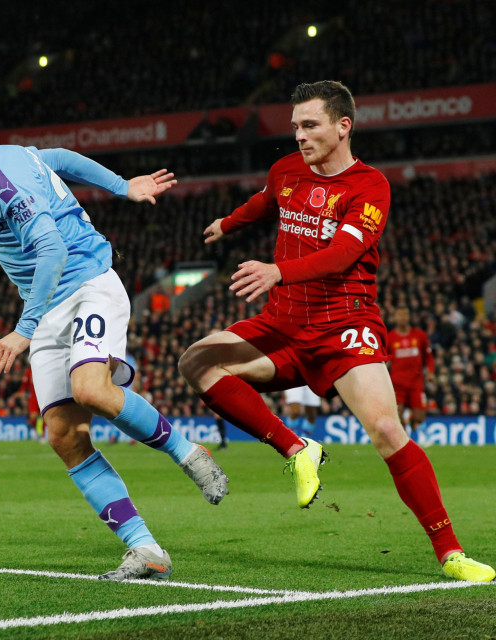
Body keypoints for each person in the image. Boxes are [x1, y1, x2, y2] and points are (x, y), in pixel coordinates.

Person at [0, 95, 228, 581]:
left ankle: (191, 454)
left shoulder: (0, 182)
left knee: (92, 388)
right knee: (65, 437)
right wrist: (121, 186)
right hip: (48, 306)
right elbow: (59, 159)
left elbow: (50, 250)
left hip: (88, 284)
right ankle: (145, 549)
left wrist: (21, 331)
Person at [178, 80, 494, 582]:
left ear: (343, 126)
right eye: (296, 127)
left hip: (344, 326)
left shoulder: (370, 186)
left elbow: (344, 253)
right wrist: (229, 223)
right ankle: (297, 449)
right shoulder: (287, 170)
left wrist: (278, 271)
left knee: (388, 432)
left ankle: (451, 553)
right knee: (195, 360)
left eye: (310, 125)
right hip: (283, 322)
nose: (299, 136)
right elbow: (265, 201)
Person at [387, 305, 435, 436]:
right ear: (395, 318)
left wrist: (430, 372)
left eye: (405, 314)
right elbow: (385, 359)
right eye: (400, 315)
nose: (403, 317)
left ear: (409, 317)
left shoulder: (419, 335)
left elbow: (429, 356)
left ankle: (409, 420)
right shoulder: (390, 337)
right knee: (397, 415)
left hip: (416, 383)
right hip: (397, 383)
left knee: (420, 418)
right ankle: (404, 440)